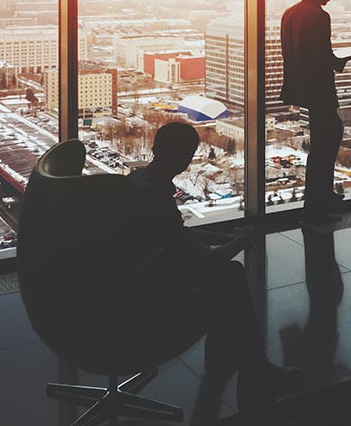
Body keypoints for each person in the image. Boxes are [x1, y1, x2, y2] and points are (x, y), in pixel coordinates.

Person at [126, 122, 302, 411]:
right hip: (146, 289)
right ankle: (252, 367)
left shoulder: (141, 180)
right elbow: (200, 258)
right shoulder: (156, 196)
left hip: (131, 277)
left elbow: (177, 234)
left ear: (155, 148)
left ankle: (230, 360)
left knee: (225, 279)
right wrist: (238, 245)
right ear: (187, 159)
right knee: (229, 275)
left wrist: (227, 237)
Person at [280, 0, 351, 224]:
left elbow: (291, 53)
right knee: (326, 145)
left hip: (301, 89)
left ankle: (321, 200)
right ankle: (317, 204)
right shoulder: (320, 16)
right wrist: (340, 62)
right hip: (320, 90)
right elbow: (322, 55)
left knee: (324, 141)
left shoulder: (289, 14)